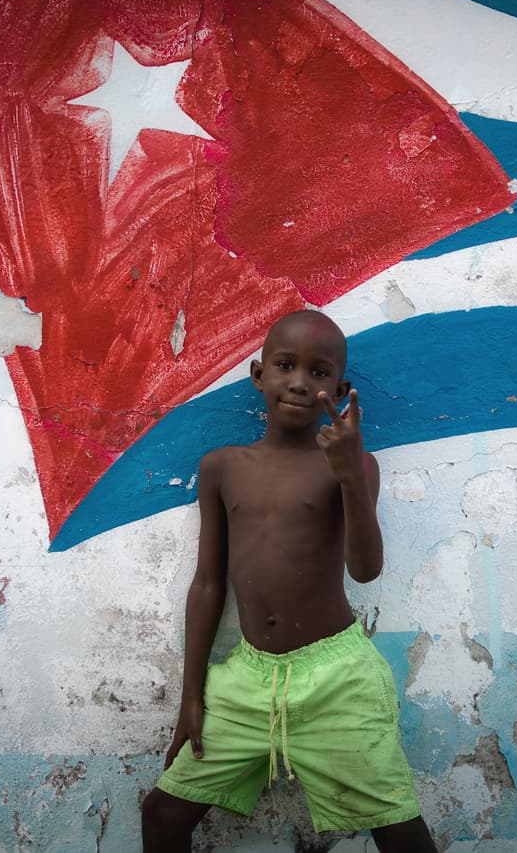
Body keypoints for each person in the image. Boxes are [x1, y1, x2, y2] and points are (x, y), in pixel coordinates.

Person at [140, 310, 438, 852]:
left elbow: (365, 569)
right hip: (246, 683)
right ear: (259, 375)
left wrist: (348, 475)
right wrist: (192, 694)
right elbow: (208, 583)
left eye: (319, 372)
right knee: (161, 814)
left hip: (336, 678)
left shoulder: (355, 467)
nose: (301, 382)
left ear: (340, 388)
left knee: (399, 831)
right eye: (285, 366)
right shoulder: (222, 468)